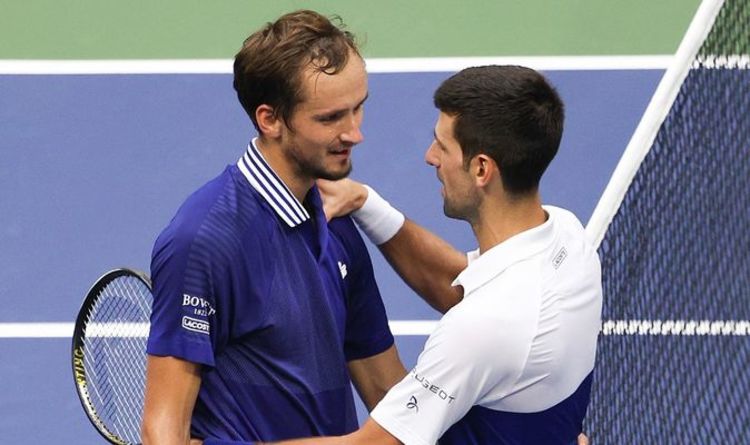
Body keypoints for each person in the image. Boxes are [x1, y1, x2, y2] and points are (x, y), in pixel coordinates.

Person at [271, 65, 602, 444]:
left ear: (481, 169)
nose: (430, 157)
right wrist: (366, 203)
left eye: (442, 146)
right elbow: (458, 287)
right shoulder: (566, 238)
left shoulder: (486, 327)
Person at [140, 10, 406, 445]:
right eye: (331, 118)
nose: (354, 133)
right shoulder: (204, 242)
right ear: (270, 120)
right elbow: (162, 430)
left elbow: (388, 392)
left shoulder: (336, 222)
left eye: (359, 108)